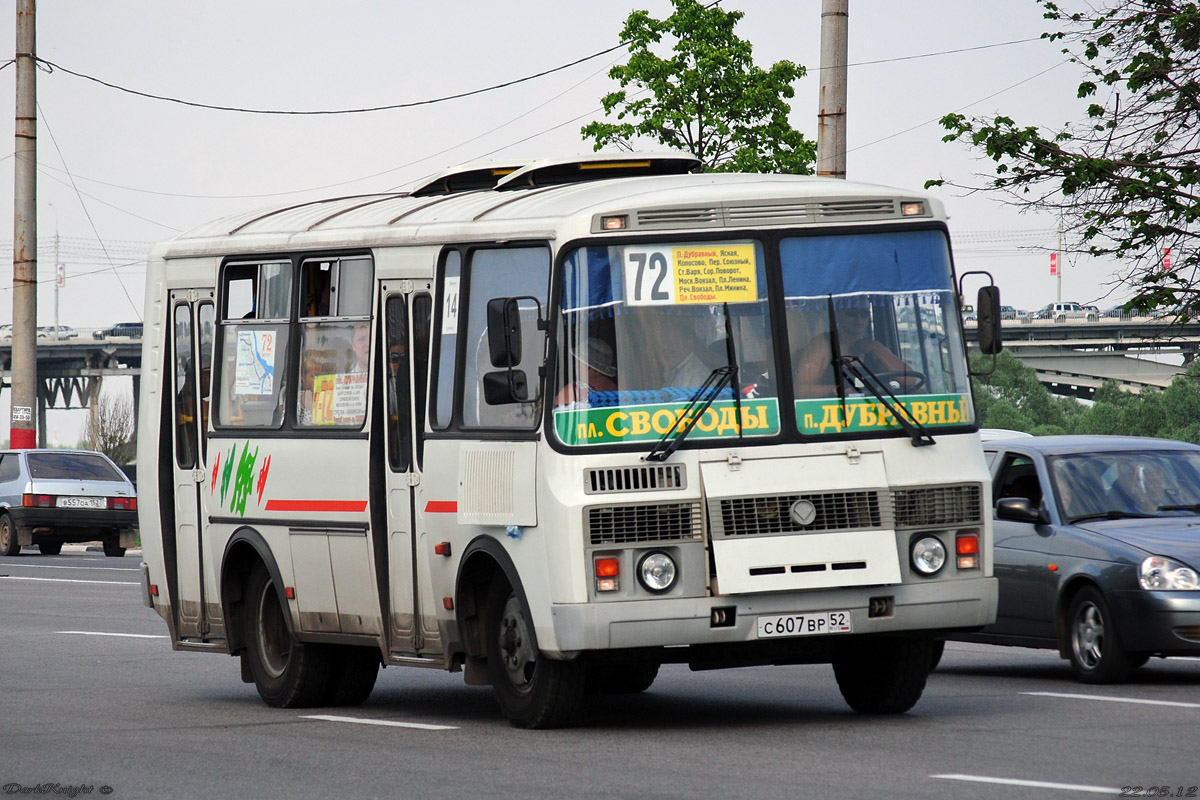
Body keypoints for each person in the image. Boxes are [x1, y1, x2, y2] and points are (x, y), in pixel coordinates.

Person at [793, 305, 917, 398]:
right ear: (838, 315)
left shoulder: (874, 348)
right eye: (851, 313)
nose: (859, 319)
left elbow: (910, 380)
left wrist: (876, 348)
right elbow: (800, 391)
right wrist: (835, 389)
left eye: (864, 314)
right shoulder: (823, 344)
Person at [555, 337, 618, 405]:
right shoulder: (618, 390)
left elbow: (556, 413)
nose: (574, 365)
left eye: (577, 361)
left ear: (587, 366)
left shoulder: (573, 391)